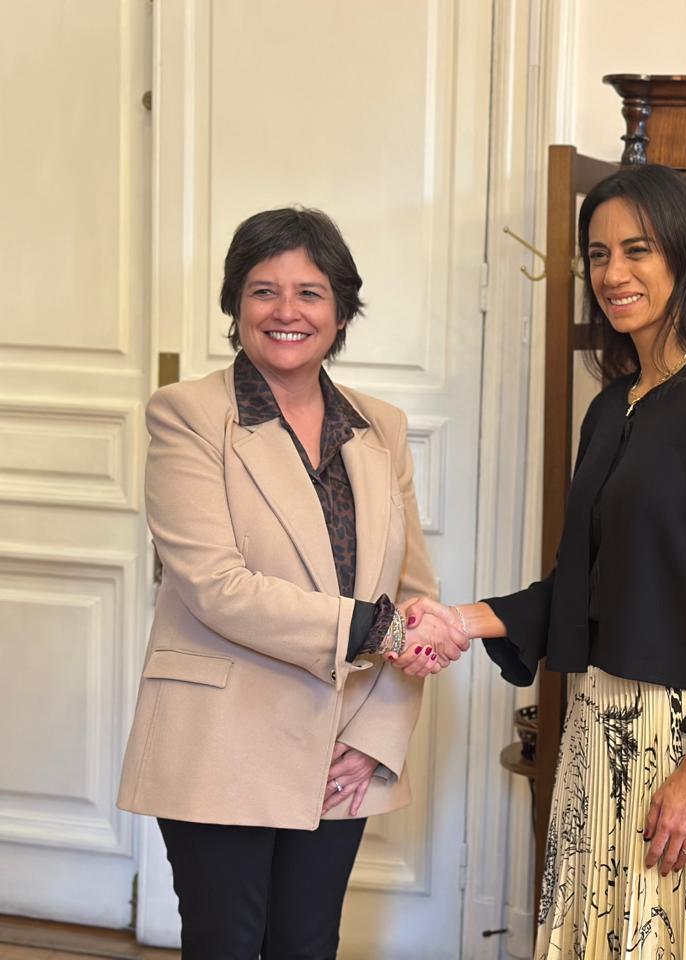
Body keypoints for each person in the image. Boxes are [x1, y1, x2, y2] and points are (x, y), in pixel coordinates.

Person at [390, 164, 686, 958]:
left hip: (684, 742)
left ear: (685, 257)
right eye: (598, 255)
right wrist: (462, 620)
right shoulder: (613, 406)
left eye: (636, 250)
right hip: (595, 723)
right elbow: (579, 587)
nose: (613, 274)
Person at [117, 207, 463, 959]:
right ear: (235, 307)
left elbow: (415, 600)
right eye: (262, 290)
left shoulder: (381, 429)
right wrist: (379, 631)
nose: (286, 311)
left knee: (308, 945)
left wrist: (377, 740)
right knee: (227, 946)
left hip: (341, 745)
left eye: (310, 292)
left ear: (341, 311)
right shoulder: (188, 416)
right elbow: (216, 586)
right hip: (221, 742)